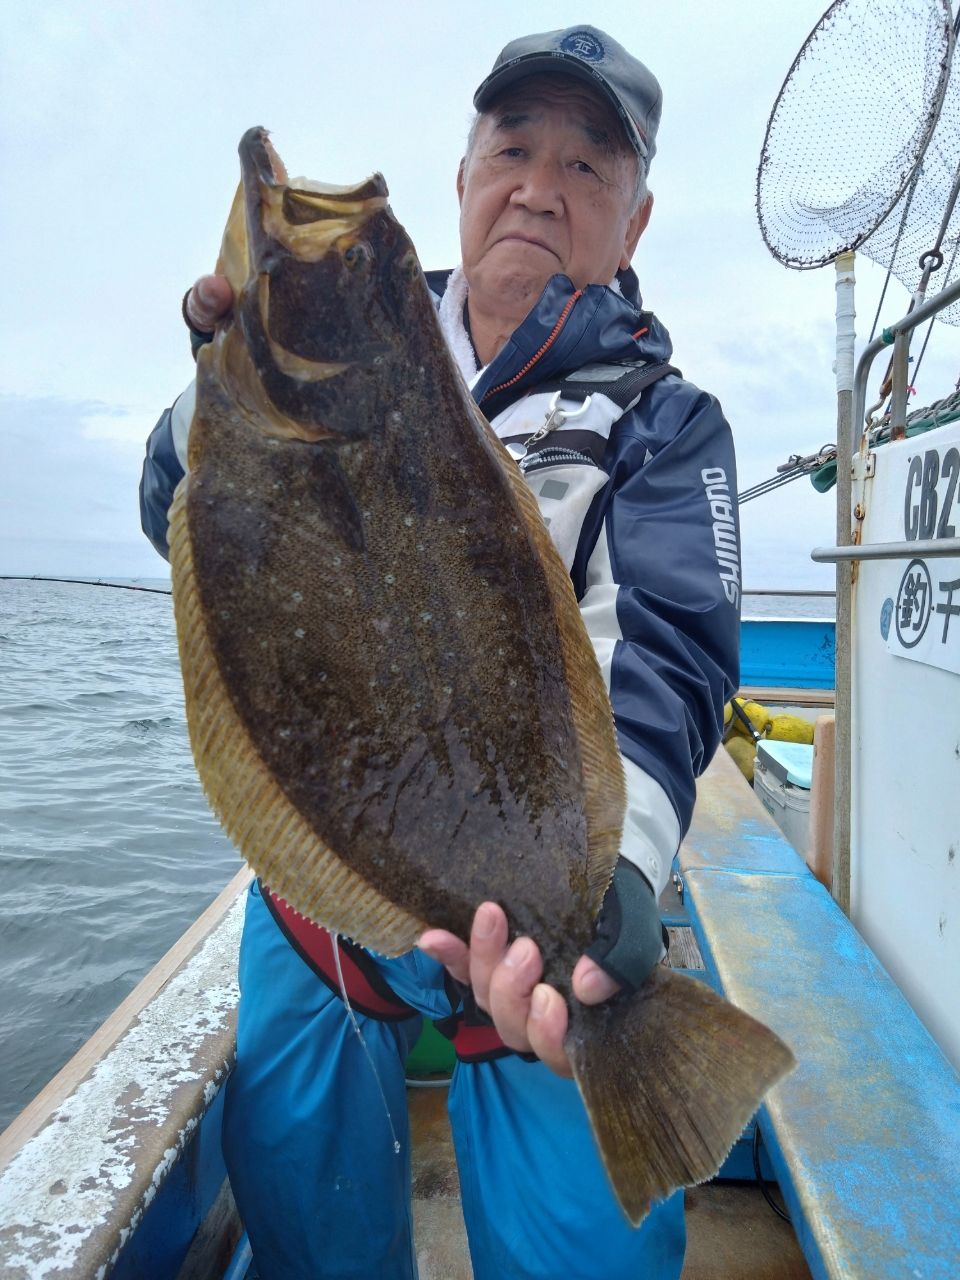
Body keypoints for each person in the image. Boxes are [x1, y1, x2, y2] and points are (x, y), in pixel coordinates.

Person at [140, 24, 740, 1280]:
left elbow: (671, 651)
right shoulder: (370, 340)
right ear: (463, 176)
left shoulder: (664, 420)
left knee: (593, 1251)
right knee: (304, 1212)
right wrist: (219, 377)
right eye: (513, 148)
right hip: (328, 911)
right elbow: (182, 524)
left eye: (588, 166)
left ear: (634, 223)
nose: (540, 184)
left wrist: (610, 887)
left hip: (547, 923)